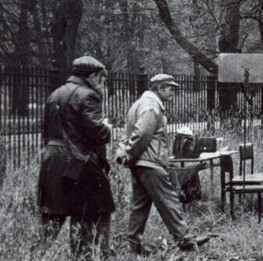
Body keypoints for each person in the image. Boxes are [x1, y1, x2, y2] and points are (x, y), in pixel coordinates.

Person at [115, 74, 210, 253]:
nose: (173, 92)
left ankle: (134, 245)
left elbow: (127, 134)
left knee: (140, 204)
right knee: (169, 199)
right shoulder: (152, 107)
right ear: (159, 88)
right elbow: (142, 135)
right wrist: (129, 155)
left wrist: (126, 155)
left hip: (140, 163)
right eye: (170, 88)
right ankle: (186, 240)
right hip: (151, 163)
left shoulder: (138, 104)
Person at [35, 56, 115, 258]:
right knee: (94, 213)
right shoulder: (88, 95)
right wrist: (107, 128)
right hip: (80, 162)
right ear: (93, 76)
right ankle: (89, 255)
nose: (102, 84)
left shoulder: (54, 94)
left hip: (52, 162)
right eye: (102, 79)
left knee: (51, 222)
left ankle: (33, 256)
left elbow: (46, 132)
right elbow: (96, 133)